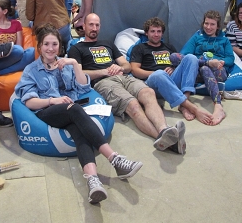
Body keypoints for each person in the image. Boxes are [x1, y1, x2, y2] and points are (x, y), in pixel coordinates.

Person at [15, 24, 142, 203]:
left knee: (78, 131)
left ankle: (93, 181)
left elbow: (83, 87)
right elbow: (29, 102)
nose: (51, 49)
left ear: (60, 46)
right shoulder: (32, 71)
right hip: (47, 112)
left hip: (71, 112)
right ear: (39, 47)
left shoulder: (66, 65)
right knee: (74, 108)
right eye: (46, 44)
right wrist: (53, 101)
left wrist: (74, 64)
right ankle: (114, 158)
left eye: (54, 44)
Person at [69, 14, 181, 150]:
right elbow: (78, 75)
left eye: (97, 25)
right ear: (84, 26)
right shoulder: (76, 49)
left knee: (148, 92)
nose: (94, 28)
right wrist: (103, 72)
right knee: (133, 105)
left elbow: (127, 66)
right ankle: (166, 141)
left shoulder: (108, 44)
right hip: (103, 82)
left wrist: (120, 67)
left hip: (124, 77)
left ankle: (164, 129)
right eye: (91, 25)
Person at [129, 17, 203, 144]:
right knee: (159, 74)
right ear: (146, 33)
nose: (156, 34)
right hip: (152, 83)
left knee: (191, 58)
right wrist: (157, 73)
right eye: (152, 31)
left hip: (171, 80)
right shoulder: (140, 48)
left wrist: (173, 68)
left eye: (159, 31)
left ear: (162, 33)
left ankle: (183, 102)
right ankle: (189, 106)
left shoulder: (169, 47)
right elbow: (135, 70)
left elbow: (178, 63)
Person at [180, 10, 234, 125]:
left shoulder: (224, 40)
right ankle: (185, 105)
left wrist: (221, 62)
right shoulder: (197, 37)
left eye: (212, 24)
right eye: (206, 23)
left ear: (218, 26)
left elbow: (230, 58)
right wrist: (205, 62)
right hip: (200, 69)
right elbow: (185, 54)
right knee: (203, 68)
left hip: (218, 71)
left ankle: (218, 107)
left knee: (206, 69)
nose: (208, 27)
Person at [0, 0, 34, 76]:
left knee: (31, 52)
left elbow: (19, 48)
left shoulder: (16, 24)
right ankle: (5, 69)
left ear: (4, 11)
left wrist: (13, 54)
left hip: (12, 56)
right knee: (18, 50)